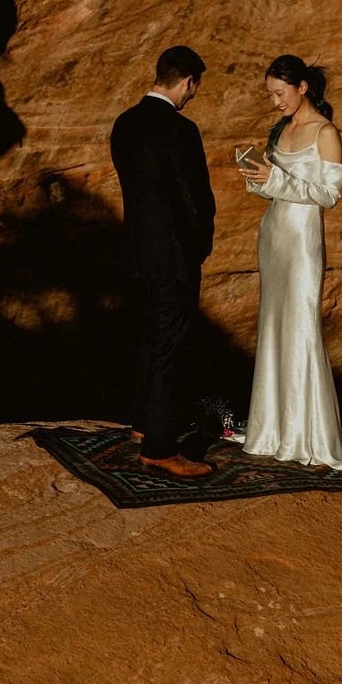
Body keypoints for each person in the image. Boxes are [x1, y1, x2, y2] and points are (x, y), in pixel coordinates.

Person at [239, 55, 342, 469]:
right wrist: (259, 179)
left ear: (302, 87)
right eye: (270, 95)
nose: (275, 102)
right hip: (272, 236)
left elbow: (328, 195)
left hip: (304, 240)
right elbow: (275, 190)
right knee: (272, 324)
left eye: (280, 93)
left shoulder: (325, 132)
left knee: (302, 324)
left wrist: (277, 180)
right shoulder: (280, 130)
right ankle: (271, 430)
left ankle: (309, 437)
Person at [111, 46, 215, 478]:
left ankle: (141, 423)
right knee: (170, 344)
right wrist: (200, 246)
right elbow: (197, 201)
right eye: (195, 87)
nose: (192, 95)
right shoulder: (181, 130)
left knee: (150, 336)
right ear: (187, 81)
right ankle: (158, 445)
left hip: (135, 251)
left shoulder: (124, 124)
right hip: (174, 255)